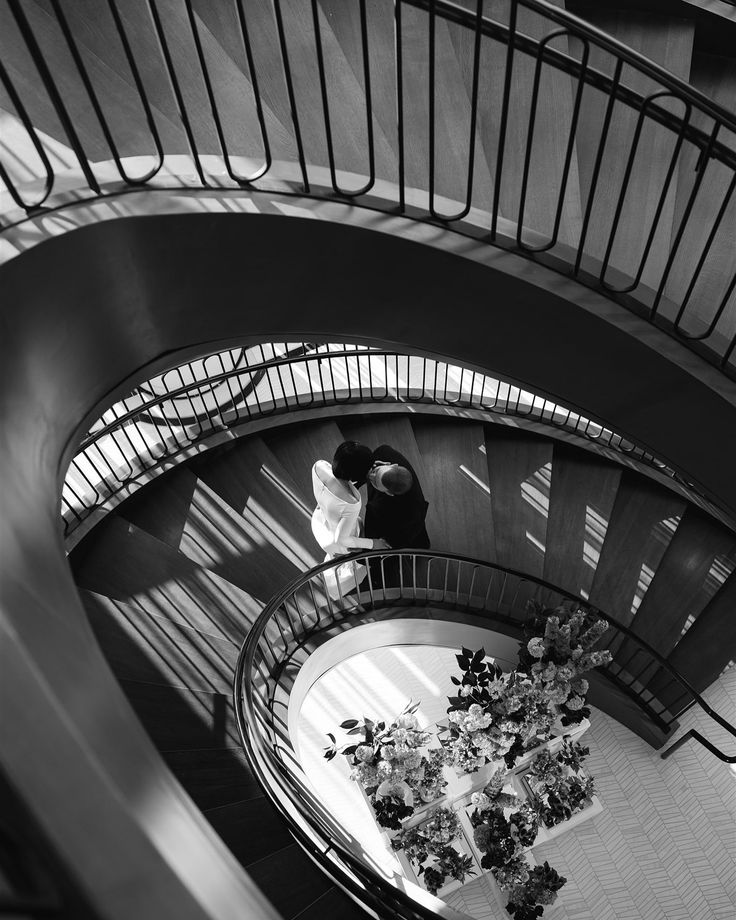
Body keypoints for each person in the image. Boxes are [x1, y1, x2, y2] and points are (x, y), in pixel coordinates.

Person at [311, 441, 389, 599]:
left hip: (321, 519)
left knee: (338, 558)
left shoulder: (319, 466)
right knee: (352, 562)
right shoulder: (351, 502)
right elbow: (342, 539)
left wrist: (367, 467)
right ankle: (336, 588)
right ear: (356, 473)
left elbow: (337, 485)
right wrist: (374, 543)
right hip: (337, 538)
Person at [364, 444, 431, 551]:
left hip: (406, 521)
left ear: (389, 493)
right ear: (393, 465)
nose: (370, 475)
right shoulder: (383, 453)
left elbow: (403, 535)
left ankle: (422, 547)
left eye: (375, 482)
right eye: (377, 471)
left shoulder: (378, 507)